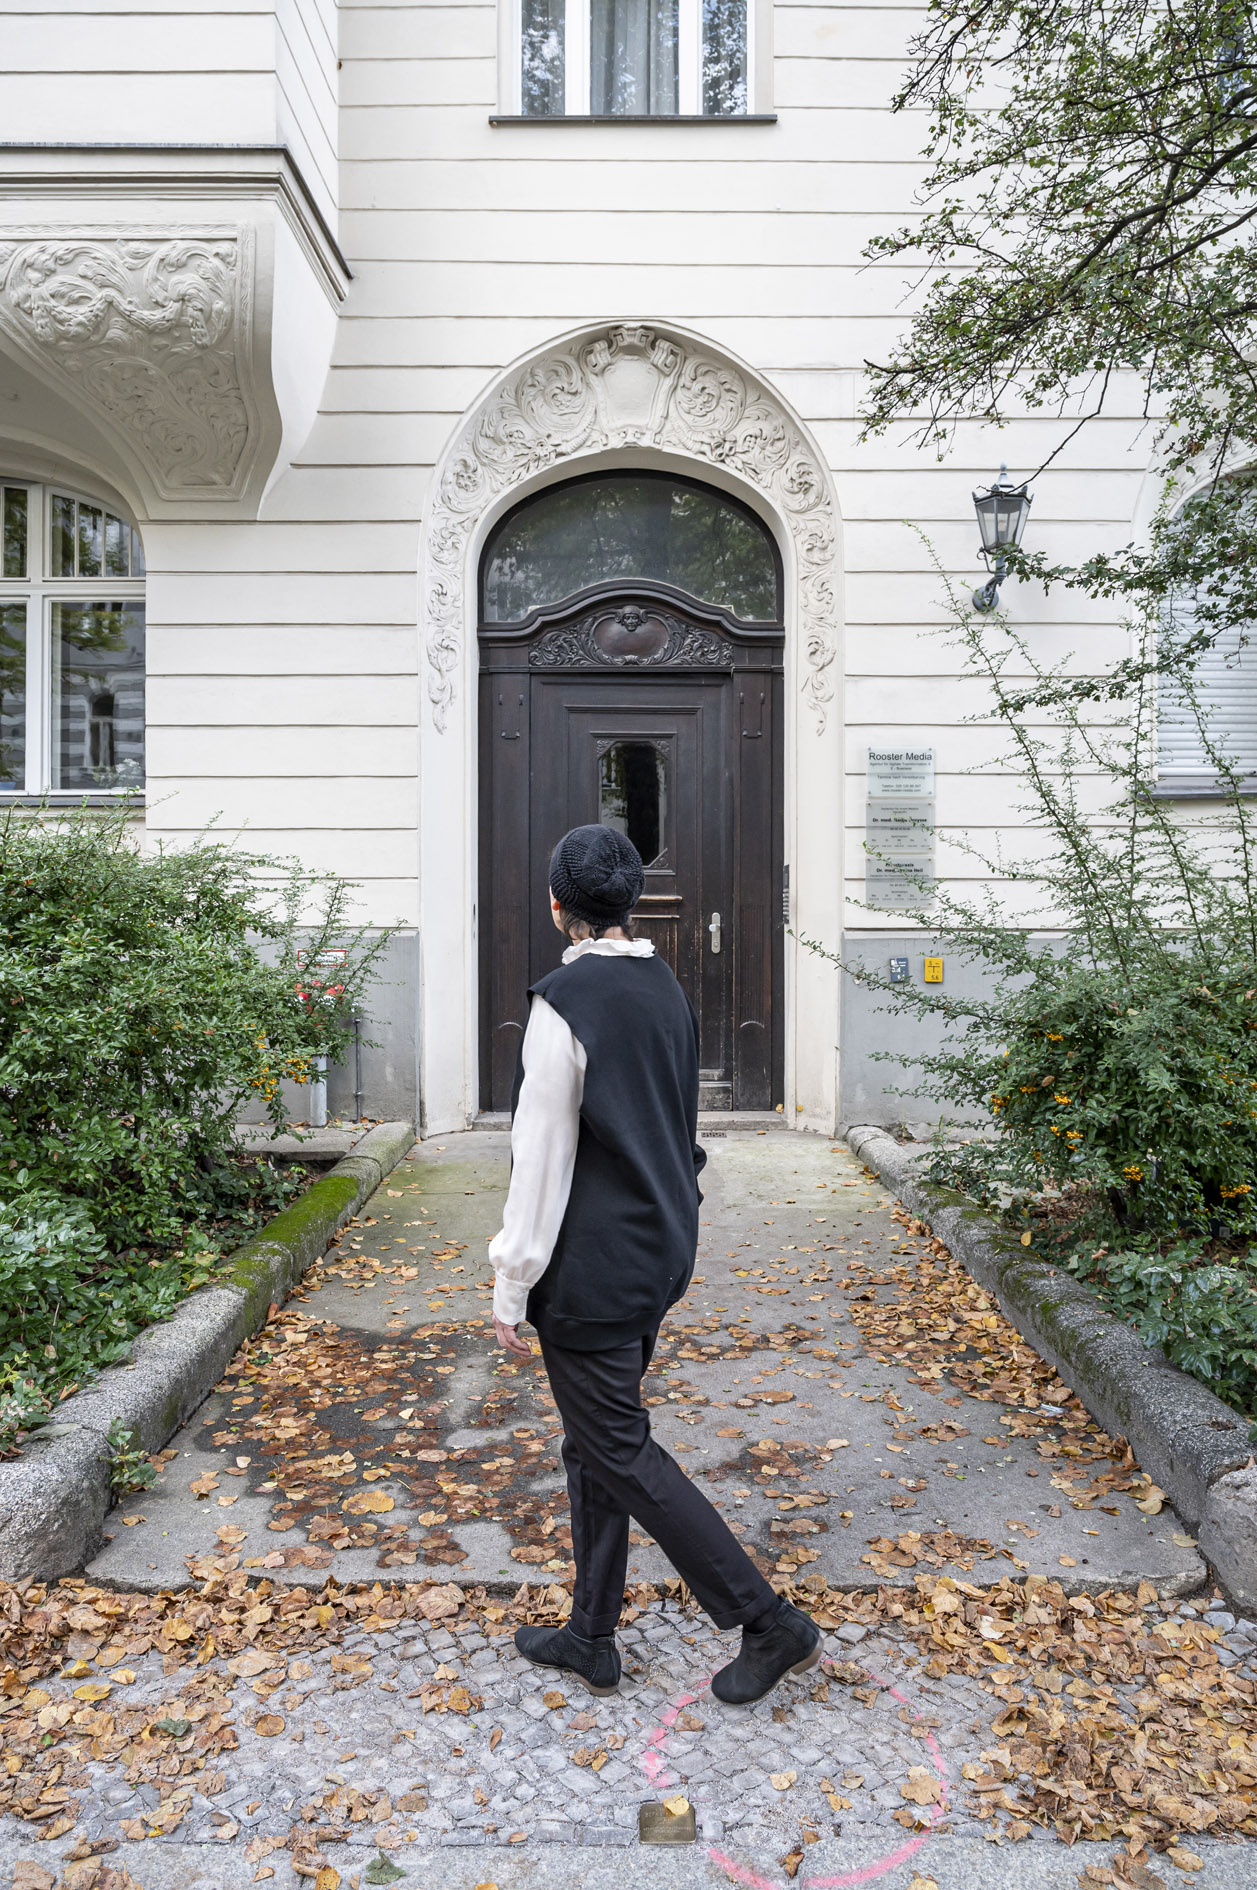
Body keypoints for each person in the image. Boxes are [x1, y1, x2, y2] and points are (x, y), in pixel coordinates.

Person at [488, 823, 821, 1703]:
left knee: (619, 1446)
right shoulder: (665, 986)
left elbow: (540, 1154)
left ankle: (766, 1621)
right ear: (628, 901)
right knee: (592, 1443)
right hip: (660, 1247)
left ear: (558, 906)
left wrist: (511, 1278)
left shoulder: (565, 1003)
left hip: (594, 1269)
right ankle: (590, 1634)